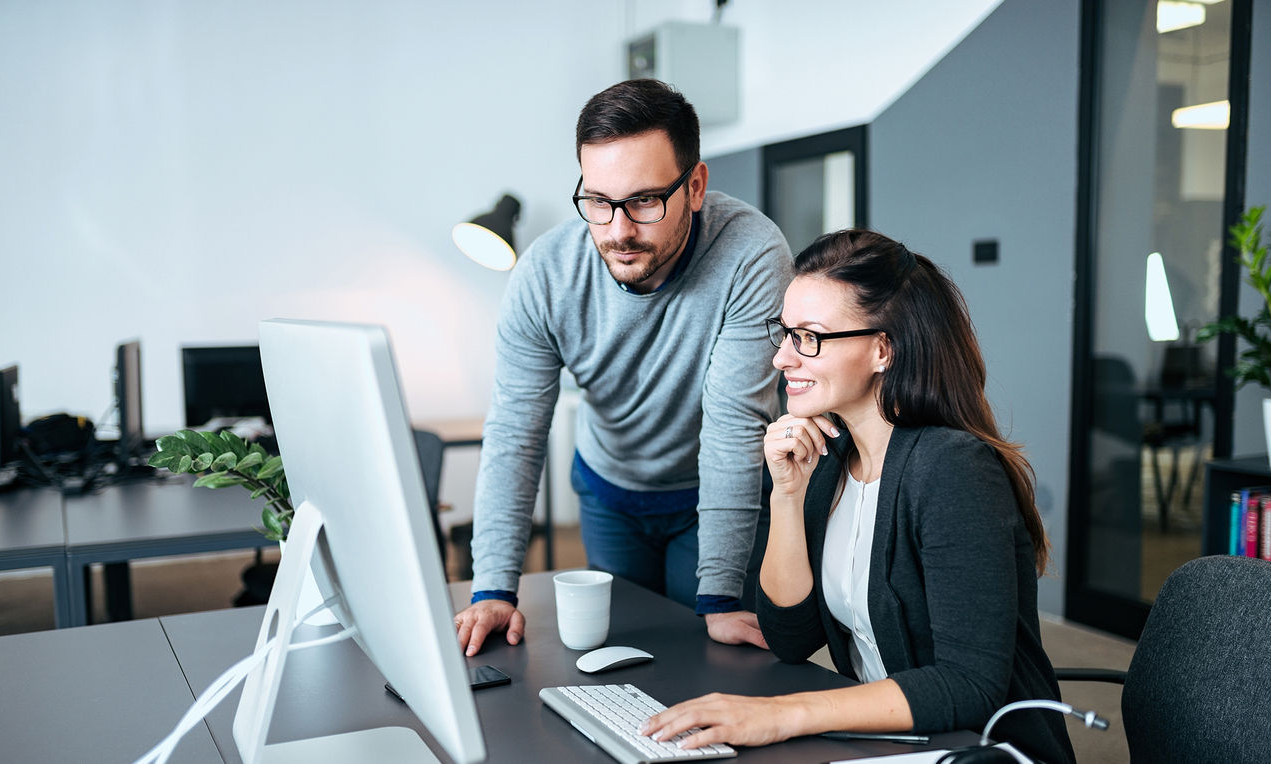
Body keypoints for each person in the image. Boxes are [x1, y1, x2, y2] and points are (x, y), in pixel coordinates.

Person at [641, 230, 1076, 763]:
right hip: (882, 742)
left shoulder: (952, 470)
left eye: (810, 336)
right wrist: (786, 493)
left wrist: (782, 715)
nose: (782, 358)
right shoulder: (829, 459)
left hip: (979, 750)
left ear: (882, 349)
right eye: (784, 332)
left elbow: (969, 685)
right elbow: (789, 636)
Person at [454, 79, 793, 658]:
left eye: (643, 201)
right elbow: (515, 432)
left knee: (712, 656)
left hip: (711, 493)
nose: (617, 230)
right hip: (609, 491)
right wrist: (493, 587)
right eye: (597, 200)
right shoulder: (545, 274)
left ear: (695, 186)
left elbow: (735, 429)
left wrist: (718, 596)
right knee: (620, 658)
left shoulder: (752, 255)